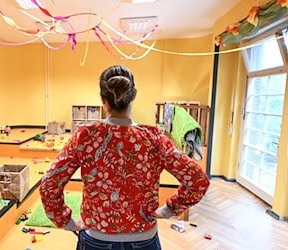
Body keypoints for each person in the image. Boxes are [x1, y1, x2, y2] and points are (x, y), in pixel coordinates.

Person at [39, 65, 210, 250]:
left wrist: (67, 222)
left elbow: (49, 183)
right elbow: (198, 180)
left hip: (97, 238)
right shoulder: (154, 139)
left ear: (102, 99)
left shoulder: (86, 136)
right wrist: (170, 209)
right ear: (134, 95)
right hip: (144, 238)